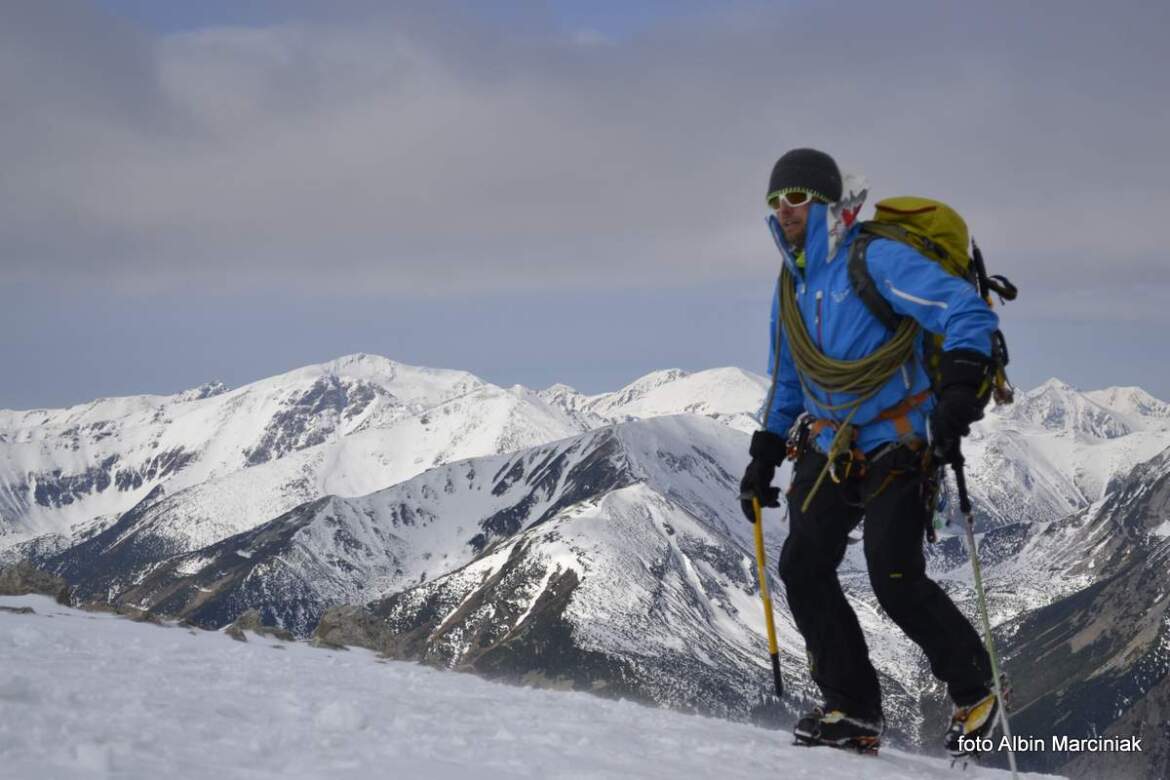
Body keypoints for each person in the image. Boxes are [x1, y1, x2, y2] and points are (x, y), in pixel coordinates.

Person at [739, 148, 1000, 755]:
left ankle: (976, 688)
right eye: (776, 201)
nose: (786, 211)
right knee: (803, 566)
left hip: (900, 442)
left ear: (828, 204)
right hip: (830, 443)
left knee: (894, 574)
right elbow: (788, 379)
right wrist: (764, 454)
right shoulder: (792, 284)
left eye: (798, 199)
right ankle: (852, 710)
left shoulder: (875, 259)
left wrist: (959, 388)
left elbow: (962, 311)